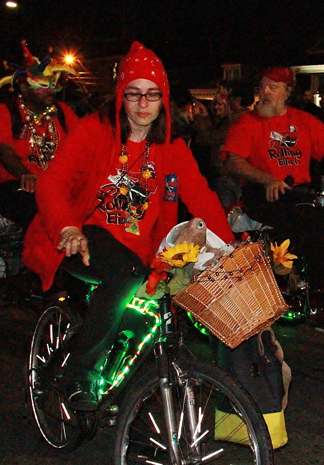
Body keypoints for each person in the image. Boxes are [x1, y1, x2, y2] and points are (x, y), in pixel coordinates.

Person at [23, 41, 234, 411]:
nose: (142, 104)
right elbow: (51, 182)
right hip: (78, 239)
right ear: (120, 95)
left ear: (163, 99)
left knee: (147, 319)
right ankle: (80, 375)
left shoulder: (171, 148)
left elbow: (202, 200)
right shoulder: (94, 131)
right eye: (133, 93)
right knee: (126, 272)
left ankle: (128, 411)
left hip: (139, 254)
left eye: (152, 95)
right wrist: (66, 227)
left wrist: (230, 249)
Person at [222, 65, 324, 339]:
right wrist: (267, 179)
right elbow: (233, 161)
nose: (265, 93)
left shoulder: (304, 120)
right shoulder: (246, 122)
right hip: (265, 192)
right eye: (262, 87)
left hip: (300, 192)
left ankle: (316, 286)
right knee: (315, 229)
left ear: (287, 92)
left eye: (273, 87)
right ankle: (323, 311)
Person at [0, 42, 80, 229]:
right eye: (43, 85)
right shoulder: (4, 112)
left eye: (53, 84)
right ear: (25, 88)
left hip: (56, 185)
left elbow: (83, 143)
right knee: (41, 212)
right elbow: (3, 150)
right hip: (14, 185)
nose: (50, 90)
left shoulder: (63, 111)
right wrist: (25, 175)